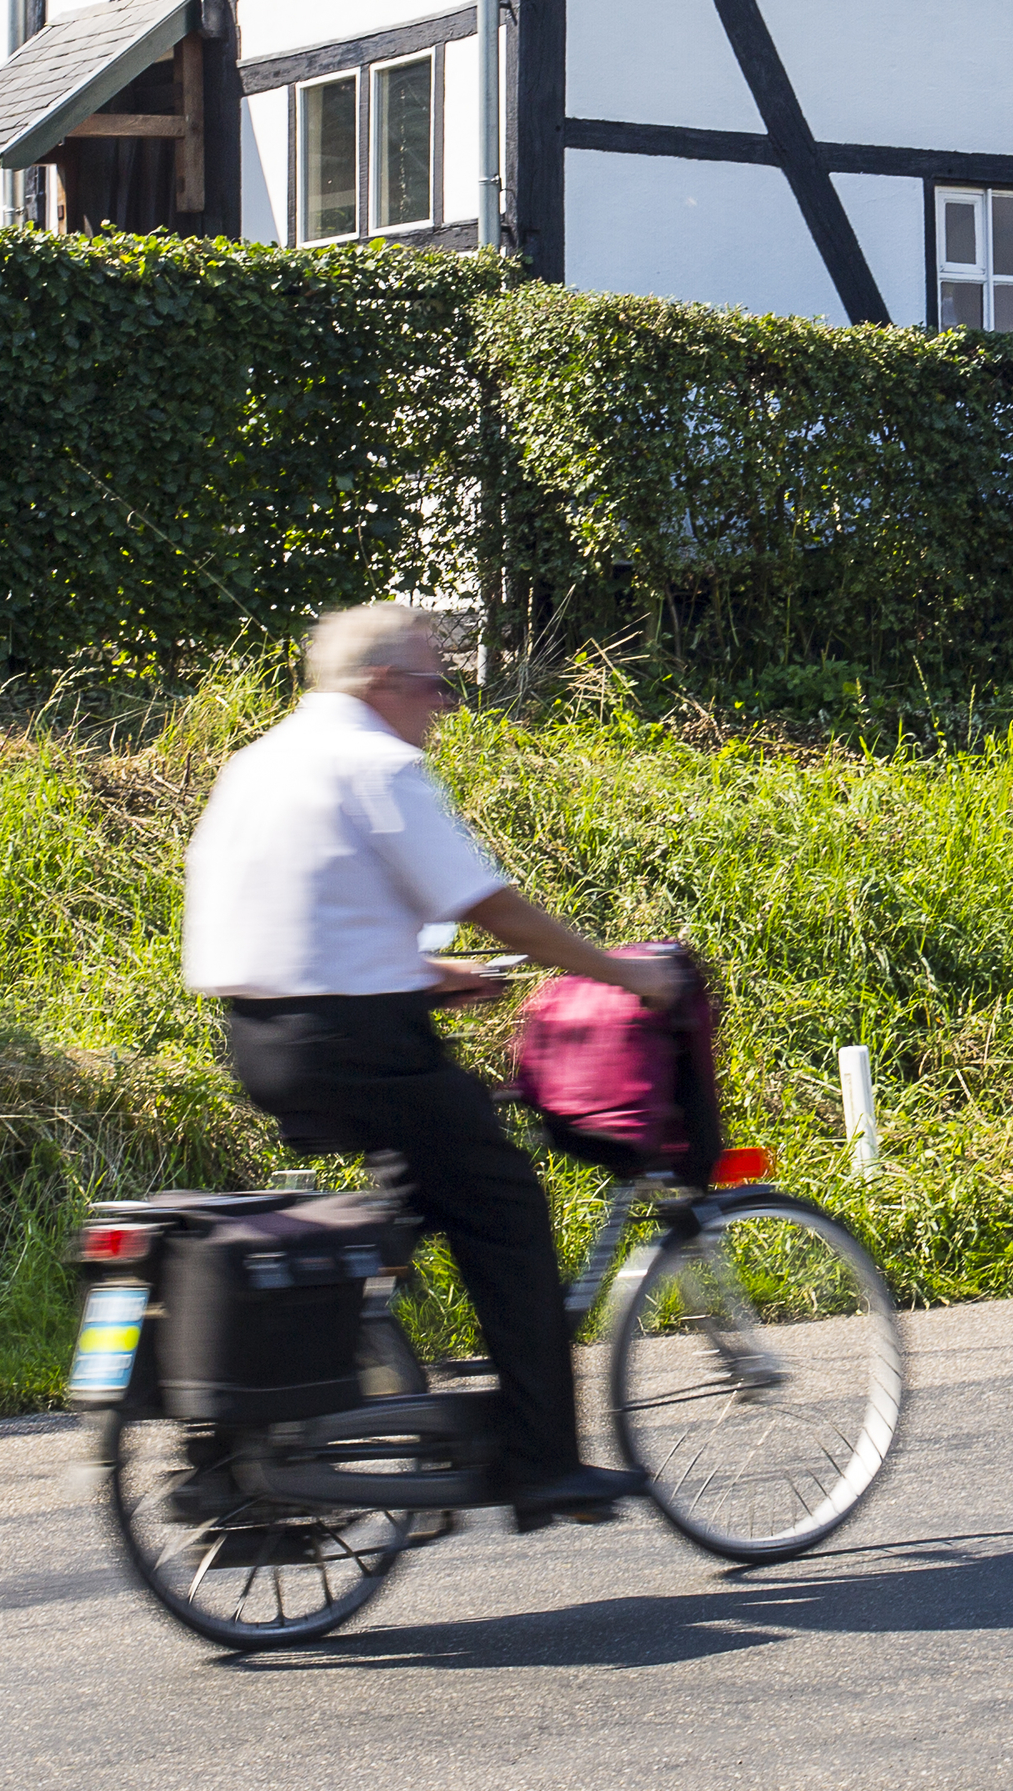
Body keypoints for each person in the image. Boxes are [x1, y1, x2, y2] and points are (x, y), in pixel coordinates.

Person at [183, 600, 682, 1526]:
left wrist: (417, 974)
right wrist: (625, 974)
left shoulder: (257, 763)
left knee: (409, 1199)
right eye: (432, 683)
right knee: (506, 1208)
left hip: (260, 1037)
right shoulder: (379, 763)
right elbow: (497, 907)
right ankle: (541, 1464)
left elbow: (297, 920)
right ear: (381, 684)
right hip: (364, 1045)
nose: (442, 704)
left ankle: (369, 1383)